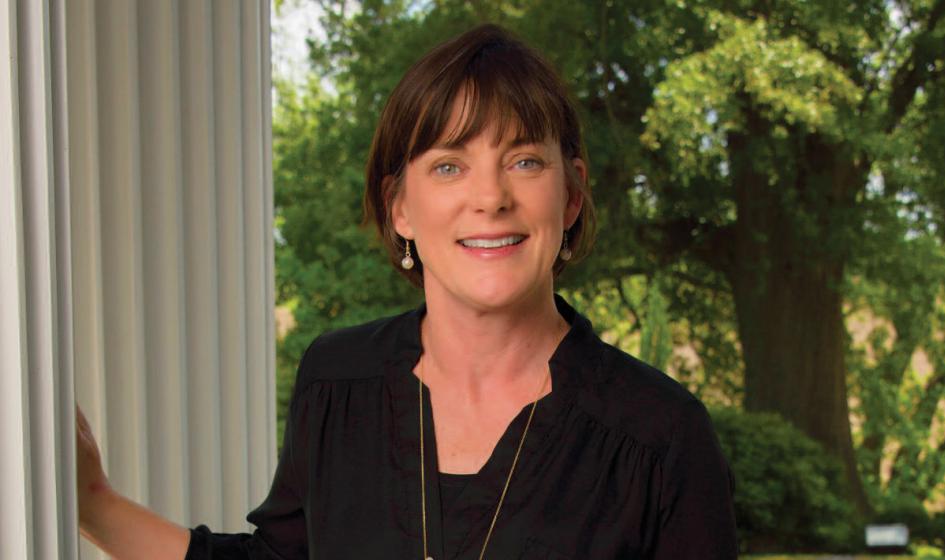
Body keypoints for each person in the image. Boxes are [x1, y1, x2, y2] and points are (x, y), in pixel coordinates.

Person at [77, 24, 737, 559]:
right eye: (449, 165)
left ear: (571, 195)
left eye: (524, 161)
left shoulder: (661, 436)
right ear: (400, 208)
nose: (490, 197)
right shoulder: (337, 382)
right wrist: (94, 503)